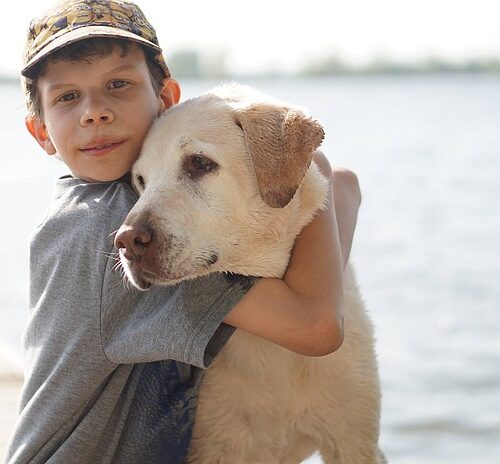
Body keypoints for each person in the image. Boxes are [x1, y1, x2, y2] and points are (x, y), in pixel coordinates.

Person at [5, 0, 361, 463]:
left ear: (168, 100)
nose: (94, 112)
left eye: (118, 84)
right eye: (67, 97)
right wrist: (315, 169)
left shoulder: (121, 203)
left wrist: (306, 167)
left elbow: (345, 186)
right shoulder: (109, 232)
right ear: (41, 133)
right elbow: (314, 327)